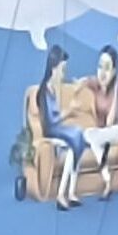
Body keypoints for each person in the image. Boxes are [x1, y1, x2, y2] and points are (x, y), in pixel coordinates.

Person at [36, 44, 87, 210]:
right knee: (75, 135)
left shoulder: (52, 89)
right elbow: (51, 120)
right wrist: (69, 111)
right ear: (54, 67)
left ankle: (70, 192)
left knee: (77, 138)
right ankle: (60, 195)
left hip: (57, 128)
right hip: (50, 131)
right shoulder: (44, 91)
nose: (64, 73)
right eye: (62, 69)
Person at [81, 46, 118, 197]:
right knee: (91, 137)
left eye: (107, 68)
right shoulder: (94, 84)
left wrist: (116, 89)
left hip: (114, 131)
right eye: (100, 66)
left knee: (91, 136)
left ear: (113, 71)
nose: (102, 72)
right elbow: (80, 83)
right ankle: (108, 179)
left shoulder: (115, 89)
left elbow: (109, 122)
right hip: (99, 133)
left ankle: (107, 179)